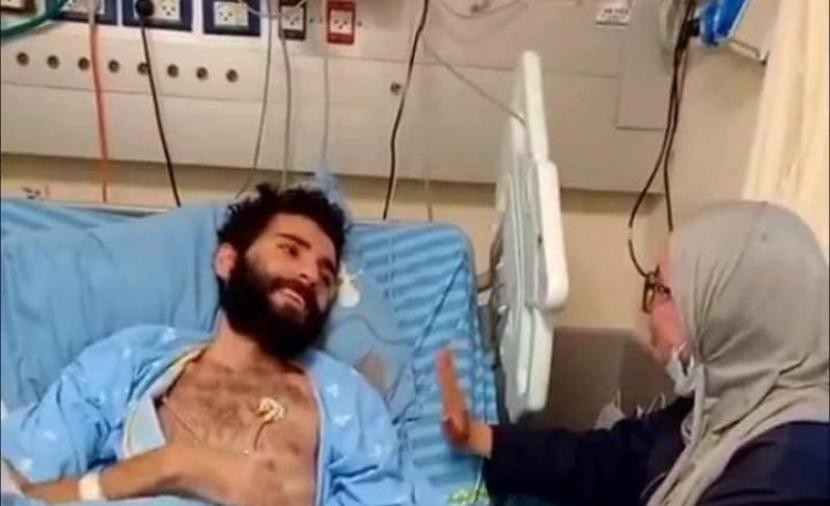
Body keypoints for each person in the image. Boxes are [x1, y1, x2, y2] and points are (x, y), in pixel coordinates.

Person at [0, 184, 415, 506]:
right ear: (227, 262)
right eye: (290, 250)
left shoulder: (347, 402)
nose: (309, 275)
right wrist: (174, 465)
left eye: (326, 276)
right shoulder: (129, 360)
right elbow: (20, 486)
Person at [438, 201, 830, 505]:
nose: (649, 311)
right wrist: (481, 436)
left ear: (729, 315)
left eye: (663, 291)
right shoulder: (721, 406)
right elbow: (611, 461)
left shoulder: (789, 475)